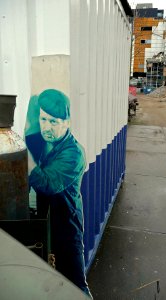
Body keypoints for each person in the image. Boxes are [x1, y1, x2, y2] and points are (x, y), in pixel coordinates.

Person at [25, 89, 92, 298]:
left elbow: (47, 184)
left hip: (66, 227)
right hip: (45, 225)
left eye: (54, 122)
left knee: (76, 284)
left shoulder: (74, 154)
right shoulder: (39, 142)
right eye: (43, 119)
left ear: (67, 122)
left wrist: (21, 152)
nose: (47, 127)